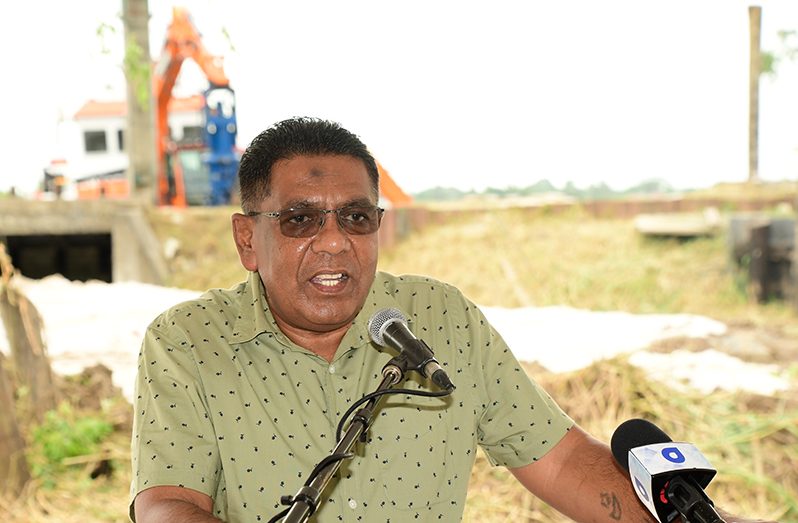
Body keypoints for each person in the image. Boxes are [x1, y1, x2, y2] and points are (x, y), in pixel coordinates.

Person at [130, 117, 774, 523]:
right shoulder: (188, 342)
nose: (334, 242)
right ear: (248, 240)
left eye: (357, 217)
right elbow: (168, 504)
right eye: (300, 219)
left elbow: (558, 459)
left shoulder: (441, 320)